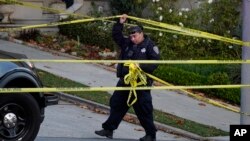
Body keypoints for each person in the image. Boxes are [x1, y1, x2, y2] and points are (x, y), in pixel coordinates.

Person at [95, 14, 160, 141]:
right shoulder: (128, 43)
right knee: (117, 103)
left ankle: (150, 135)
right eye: (131, 36)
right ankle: (109, 129)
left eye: (135, 36)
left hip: (140, 84)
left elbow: (155, 63)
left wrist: (140, 65)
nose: (132, 38)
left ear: (141, 33)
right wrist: (120, 23)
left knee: (143, 109)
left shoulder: (150, 46)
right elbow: (116, 36)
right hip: (125, 81)